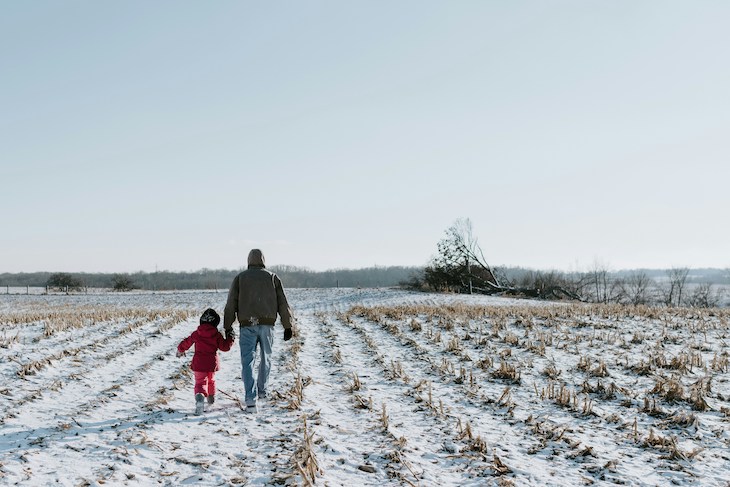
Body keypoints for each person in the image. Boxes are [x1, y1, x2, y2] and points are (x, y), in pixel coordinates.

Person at [224, 249, 294, 413]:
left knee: (247, 361)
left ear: (248, 260)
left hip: (247, 324)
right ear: (263, 260)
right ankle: (262, 392)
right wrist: (287, 325)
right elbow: (283, 303)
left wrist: (228, 326)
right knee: (265, 358)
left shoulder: (240, 278)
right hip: (267, 325)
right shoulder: (272, 277)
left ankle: (250, 398)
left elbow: (231, 303)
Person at [177, 308, 235, 415]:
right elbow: (225, 347)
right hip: (211, 363)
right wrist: (231, 337)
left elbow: (187, 342)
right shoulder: (216, 335)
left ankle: (200, 398)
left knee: (200, 382)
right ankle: (211, 398)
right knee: (211, 380)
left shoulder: (197, 334)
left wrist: (180, 349)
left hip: (199, 363)